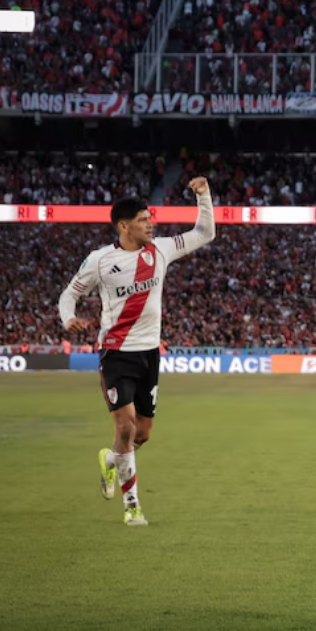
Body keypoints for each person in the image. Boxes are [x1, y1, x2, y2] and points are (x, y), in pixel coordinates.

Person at [57, 177, 215, 527]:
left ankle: (110, 459)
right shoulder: (99, 260)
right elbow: (69, 294)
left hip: (149, 355)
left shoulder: (161, 250)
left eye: (150, 218)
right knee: (126, 428)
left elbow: (204, 233)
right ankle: (132, 507)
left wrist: (203, 195)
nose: (151, 224)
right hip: (115, 354)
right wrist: (68, 317)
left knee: (141, 434)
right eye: (144, 220)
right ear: (124, 226)